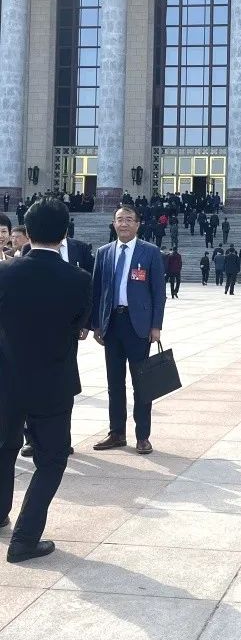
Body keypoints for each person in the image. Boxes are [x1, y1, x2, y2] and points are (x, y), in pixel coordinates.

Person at [0, 199, 91, 563]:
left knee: (4, 447)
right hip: (53, 381)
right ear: (65, 232)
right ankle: (24, 539)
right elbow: (80, 327)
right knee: (51, 459)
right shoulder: (79, 279)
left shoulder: (4, 272)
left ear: (26, 230)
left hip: (7, 378)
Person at [91, 205, 166, 455]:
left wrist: (156, 326)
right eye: (119, 219)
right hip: (112, 323)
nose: (123, 224)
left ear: (138, 224)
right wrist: (96, 323)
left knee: (141, 383)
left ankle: (142, 436)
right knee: (114, 383)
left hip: (138, 326)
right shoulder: (104, 252)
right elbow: (97, 291)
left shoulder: (150, 251)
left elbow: (158, 292)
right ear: (113, 224)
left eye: (129, 219)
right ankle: (116, 433)